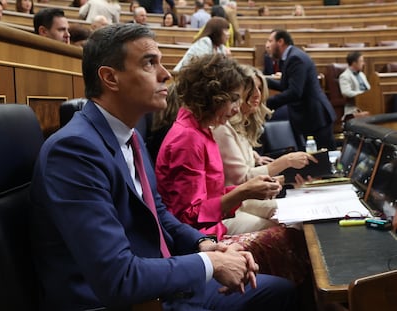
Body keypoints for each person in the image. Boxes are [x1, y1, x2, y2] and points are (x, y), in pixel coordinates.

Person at [30, 23, 297, 311]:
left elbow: (159, 214)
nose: (166, 74)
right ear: (110, 78)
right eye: (149, 63)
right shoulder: (74, 152)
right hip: (124, 301)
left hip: (156, 282)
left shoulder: (131, 136)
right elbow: (118, 278)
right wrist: (210, 263)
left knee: (282, 292)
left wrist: (203, 245)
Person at [157, 53, 283, 240]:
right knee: (284, 235)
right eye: (232, 99)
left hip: (212, 229)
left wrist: (248, 189)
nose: (236, 108)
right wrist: (244, 191)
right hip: (199, 240)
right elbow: (187, 216)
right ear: (212, 96)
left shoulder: (202, 130)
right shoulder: (187, 139)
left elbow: (210, 196)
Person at [212, 65, 317, 187]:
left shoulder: (244, 127)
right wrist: (286, 161)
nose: (257, 94)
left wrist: (287, 180)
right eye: (251, 89)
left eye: (260, 88)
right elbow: (242, 180)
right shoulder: (223, 127)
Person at [266, 29, 337, 151]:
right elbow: (286, 85)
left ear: (280, 42)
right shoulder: (291, 56)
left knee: (325, 158)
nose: (267, 45)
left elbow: (294, 92)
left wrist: (267, 103)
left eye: (270, 41)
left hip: (316, 116)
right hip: (310, 116)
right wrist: (263, 80)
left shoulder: (295, 58)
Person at [339, 51, 371, 118]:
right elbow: (346, 92)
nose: (363, 63)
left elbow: (369, 89)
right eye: (361, 61)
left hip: (368, 103)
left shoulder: (362, 74)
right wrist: (362, 94)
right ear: (354, 63)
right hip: (354, 107)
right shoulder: (344, 76)